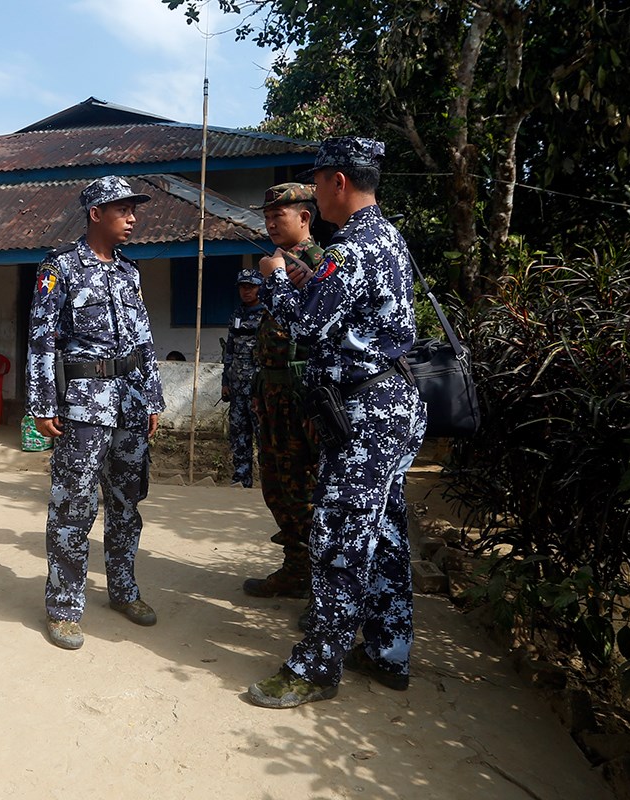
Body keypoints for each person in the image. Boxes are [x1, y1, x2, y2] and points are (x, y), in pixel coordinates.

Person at [247, 137, 427, 708]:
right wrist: (308, 282)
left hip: (366, 413)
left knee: (338, 541)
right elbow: (346, 311)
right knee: (387, 533)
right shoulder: (388, 236)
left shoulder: (350, 246)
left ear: (338, 183)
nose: (317, 191)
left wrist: (276, 279)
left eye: (319, 181)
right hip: (394, 405)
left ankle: (315, 667)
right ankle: (387, 650)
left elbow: (308, 327)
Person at [27, 175, 165, 650]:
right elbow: (41, 339)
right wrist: (42, 404)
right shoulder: (60, 267)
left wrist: (152, 397)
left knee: (127, 504)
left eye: (134, 210)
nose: (132, 218)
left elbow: (144, 339)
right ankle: (64, 606)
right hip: (84, 403)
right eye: (123, 210)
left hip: (129, 402)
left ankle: (123, 590)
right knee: (74, 504)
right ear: (95, 214)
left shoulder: (130, 272)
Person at [242, 183, 325, 603]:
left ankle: (322, 584)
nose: (272, 222)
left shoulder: (322, 266)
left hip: (301, 395)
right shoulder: (276, 264)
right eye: (268, 216)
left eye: (281, 215)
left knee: (308, 487)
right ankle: (296, 568)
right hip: (271, 391)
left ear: (305, 218)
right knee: (276, 484)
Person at [221, 269, 265, 488]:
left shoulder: (268, 314)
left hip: (258, 387)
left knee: (263, 435)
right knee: (238, 433)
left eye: (251, 286)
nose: (246, 291)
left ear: (260, 287)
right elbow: (229, 351)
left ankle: (268, 481)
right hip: (237, 385)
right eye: (242, 287)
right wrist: (225, 382)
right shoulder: (237, 315)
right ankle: (241, 478)